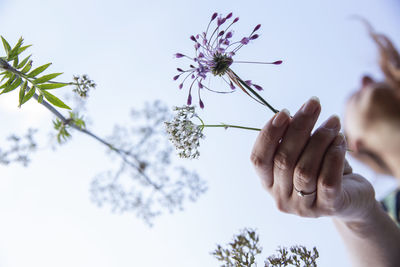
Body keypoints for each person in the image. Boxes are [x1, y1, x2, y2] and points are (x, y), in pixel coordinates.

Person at [250, 25, 400, 266]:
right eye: (356, 97)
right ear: (356, 145)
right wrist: (359, 217)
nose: (366, 78)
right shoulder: (389, 213)